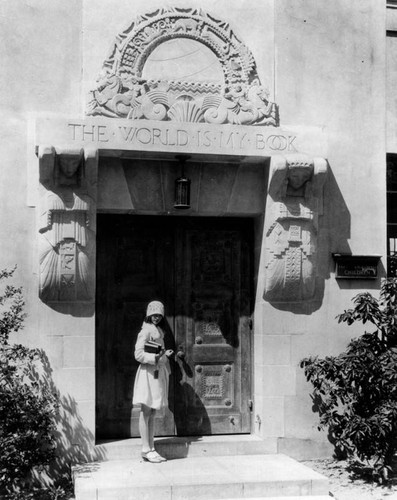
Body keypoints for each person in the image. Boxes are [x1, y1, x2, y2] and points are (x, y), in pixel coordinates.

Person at [132, 301, 174, 463]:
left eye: (159, 315)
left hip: (156, 372)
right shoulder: (146, 331)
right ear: (149, 314)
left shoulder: (158, 331)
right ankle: (145, 448)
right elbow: (138, 354)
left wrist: (164, 355)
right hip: (148, 373)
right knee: (146, 410)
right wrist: (156, 357)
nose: (156, 318)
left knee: (153, 410)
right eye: (153, 315)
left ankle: (151, 447)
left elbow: (157, 351)